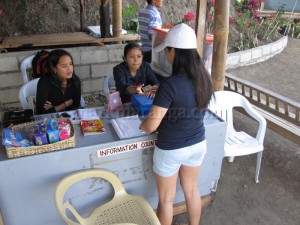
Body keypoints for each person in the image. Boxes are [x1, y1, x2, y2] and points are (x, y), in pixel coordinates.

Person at [139, 23, 214, 225]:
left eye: (167, 51)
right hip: (198, 143)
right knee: (191, 190)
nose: (167, 56)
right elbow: (188, 105)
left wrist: (142, 125)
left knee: (166, 199)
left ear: (174, 51)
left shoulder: (170, 85)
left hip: (171, 149)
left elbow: (151, 126)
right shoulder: (204, 77)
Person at [36, 49, 82, 115]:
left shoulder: (75, 80)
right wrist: (65, 105)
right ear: (54, 68)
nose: (70, 69)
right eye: (64, 66)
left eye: (70, 64)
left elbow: (75, 107)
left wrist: (55, 108)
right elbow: (42, 112)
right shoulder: (44, 82)